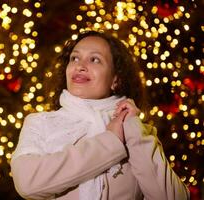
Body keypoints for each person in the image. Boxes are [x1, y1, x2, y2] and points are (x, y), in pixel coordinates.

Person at [10, 30, 190, 200]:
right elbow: (27, 182)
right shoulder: (40, 123)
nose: (80, 66)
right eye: (75, 58)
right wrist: (110, 141)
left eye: (95, 60)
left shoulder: (137, 131)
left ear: (115, 80)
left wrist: (133, 128)